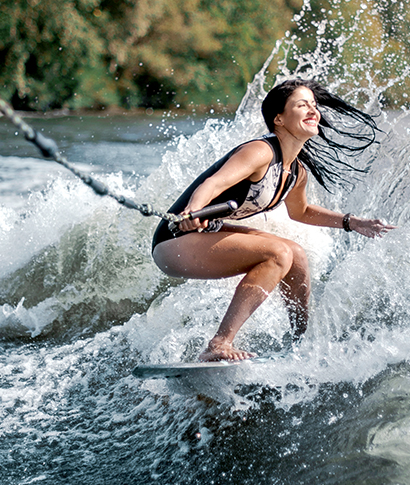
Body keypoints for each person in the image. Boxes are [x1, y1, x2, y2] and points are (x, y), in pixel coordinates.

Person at [151, 78, 394, 362]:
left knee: (297, 255)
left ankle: (300, 345)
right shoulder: (260, 151)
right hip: (175, 242)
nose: (312, 111)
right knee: (277, 253)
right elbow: (213, 184)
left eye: (314, 105)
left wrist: (353, 222)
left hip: (204, 236)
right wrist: (190, 212)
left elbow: (301, 212)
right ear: (279, 118)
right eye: (302, 105)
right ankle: (219, 344)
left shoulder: (295, 172)